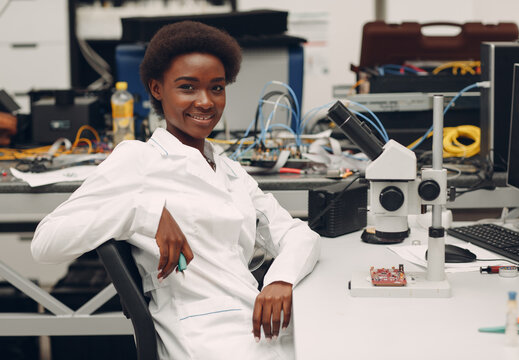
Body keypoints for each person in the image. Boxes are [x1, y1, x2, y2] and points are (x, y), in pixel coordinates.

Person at [31, 20, 320, 359]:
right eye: (187, 88)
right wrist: (143, 213)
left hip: (258, 318)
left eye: (216, 88)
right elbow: (45, 243)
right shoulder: (138, 159)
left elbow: (297, 234)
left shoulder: (227, 168)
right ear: (156, 89)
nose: (205, 102)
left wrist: (279, 280)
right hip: (202, 337)